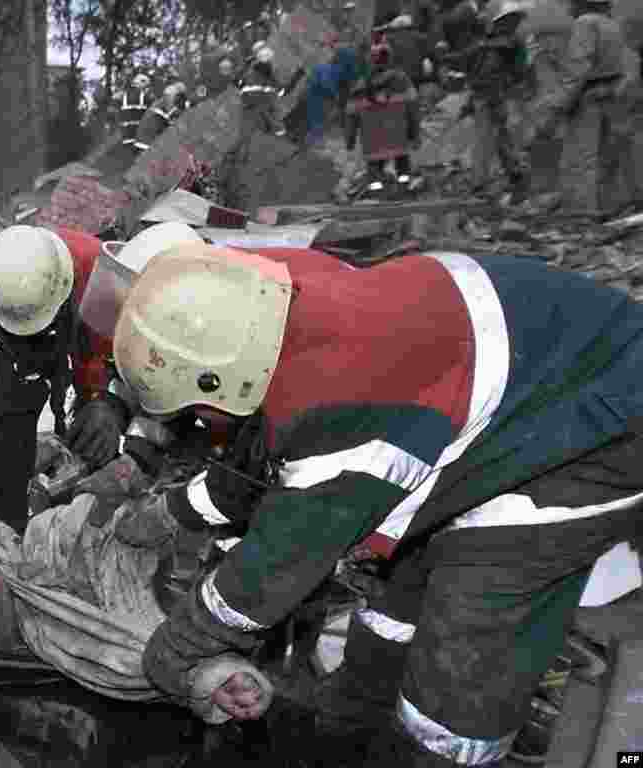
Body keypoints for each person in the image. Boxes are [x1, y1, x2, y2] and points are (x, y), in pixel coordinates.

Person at [110, 242, 643, 766]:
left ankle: (442, 751)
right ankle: (356, 715)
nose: (202, 425)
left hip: (597, 422)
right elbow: (264, 459)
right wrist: (174, 512)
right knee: (400, 588)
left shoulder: (343, 396)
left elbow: (282, 561)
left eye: (200, 409)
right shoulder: (266, 302)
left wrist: (179, 650)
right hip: (523, 373)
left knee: (474, 610)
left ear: (218, 379)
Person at [0, 223, 204, 534]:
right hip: (30, 341)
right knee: (11, 418)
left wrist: (111, 403)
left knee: (98, 427)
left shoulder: (105, 279)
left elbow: (143, 366)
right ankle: (12, 519)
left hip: (93, 347)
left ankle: (95, 492)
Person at [551, 0, 626, 215]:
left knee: (581, 157)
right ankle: (606, 207)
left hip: (588, 96)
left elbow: (579, 68)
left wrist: (561, 103)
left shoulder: (584, 23)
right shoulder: (612, 24)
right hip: (610, 93)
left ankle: (581, 211)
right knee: (604, 154)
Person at [460, 0, 530, 202]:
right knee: (494, 138)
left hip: (494, 95)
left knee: (497, 138)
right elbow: (484, 72)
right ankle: (486, 182)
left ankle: (509, 175)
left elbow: (514, 70)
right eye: (512, 20)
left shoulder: (500, 43)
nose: (515, 24)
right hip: (491, 95)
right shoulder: (494, 44)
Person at [346, 36, 421, 193]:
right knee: (402, 161)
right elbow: (413, 108)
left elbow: (351, 114)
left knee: (374, 165)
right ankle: (404, 184)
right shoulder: (402, 80)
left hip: (373, 140)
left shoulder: (361, 85)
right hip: (398, 136)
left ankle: (375, 189)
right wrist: (414, 134)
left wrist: (350, 139)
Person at [118, 71, 155, 151]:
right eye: (146, 87)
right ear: (142, 83)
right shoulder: (144, 96)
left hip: (126, 138)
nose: (146, 89)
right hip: (139, 138)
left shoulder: (123, 96)